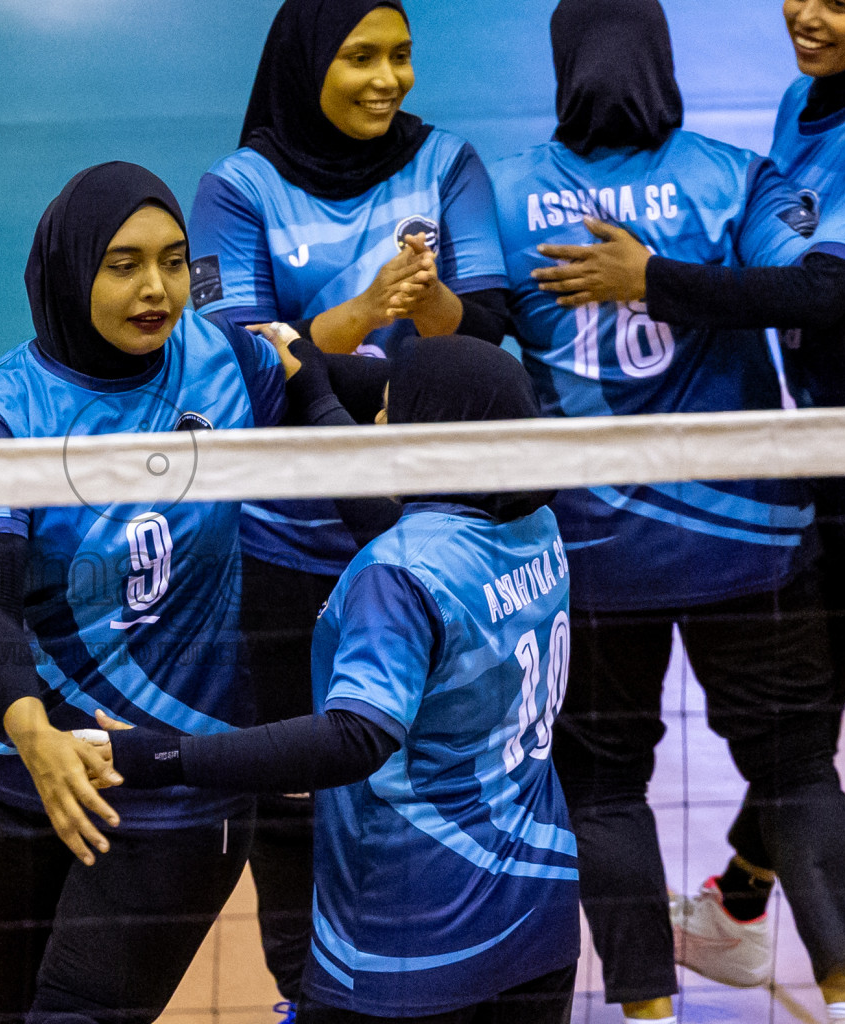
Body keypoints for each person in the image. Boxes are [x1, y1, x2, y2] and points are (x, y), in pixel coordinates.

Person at [489, 1, 845, 1021]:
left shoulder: (512, 191)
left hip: (592, 547)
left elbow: (473, 334)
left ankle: (647, 1012)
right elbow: (804, 294)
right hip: (747, 540)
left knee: (605, 785)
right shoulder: (730, 174)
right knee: (797, 769)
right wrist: (672, 276)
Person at [96, 333, 581, 1023]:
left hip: (409, 943)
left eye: (389, 412)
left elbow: (354, 738)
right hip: (539, 921)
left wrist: (164, 755)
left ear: (434, 437)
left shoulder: (397, 573)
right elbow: (412, 532)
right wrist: (317, 397)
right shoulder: (535, 526)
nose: (377, 426)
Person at [184, 0, 513, 1002]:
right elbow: (239, 362)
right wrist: (371, 315)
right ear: (307, 63)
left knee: (424, 771)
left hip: (422, 538)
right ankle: (302, 984)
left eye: (402, 56)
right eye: (361, 57)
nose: (388, 79)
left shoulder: (447, 164)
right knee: (290, 787)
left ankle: (419, 973)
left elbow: (484, 332)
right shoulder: (237, 190)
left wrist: (428, 307)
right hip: (287, 541)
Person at [0, 162, 287, 1024]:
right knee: (11, 1009)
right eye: (124, 264)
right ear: (72, 269)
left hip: (178, 785)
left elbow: (345, 399)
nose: (157, 289)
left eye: (174, 261)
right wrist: (35, 736)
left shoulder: (227, 361)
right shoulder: (1, 414)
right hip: (11, 774)